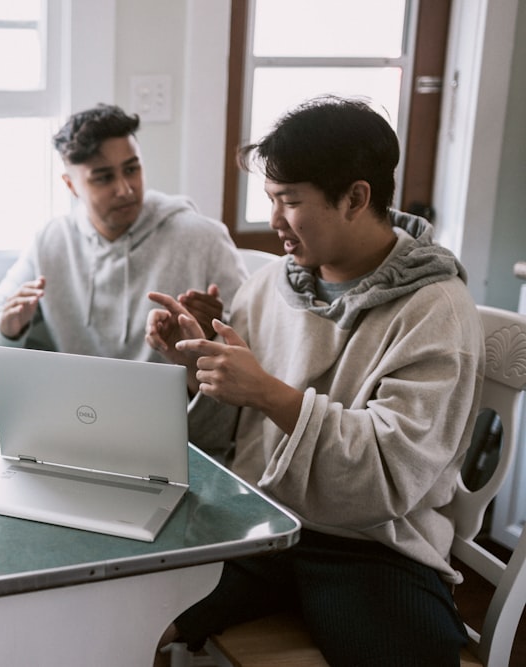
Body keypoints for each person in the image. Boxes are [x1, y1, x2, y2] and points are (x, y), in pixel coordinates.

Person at [145, 96, 484, 666]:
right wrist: (198, 366)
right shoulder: (271, 284)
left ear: (356, 197)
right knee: (125, 609)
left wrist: (266, 391)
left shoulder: (435, 310)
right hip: (258, 523)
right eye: (271, 201)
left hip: (373, 548)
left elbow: (387, 476)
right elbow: (227, 444)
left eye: (289, 201)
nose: (274, 221)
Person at [0, 103, 247, 362]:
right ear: (71, 185)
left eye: (132, 169)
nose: (125, 189)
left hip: (175, 410)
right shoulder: (51, 241)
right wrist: (7, 328)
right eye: (103, 178)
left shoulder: (203, 238)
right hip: (77, 408)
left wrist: (209, 335)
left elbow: (253, 338)